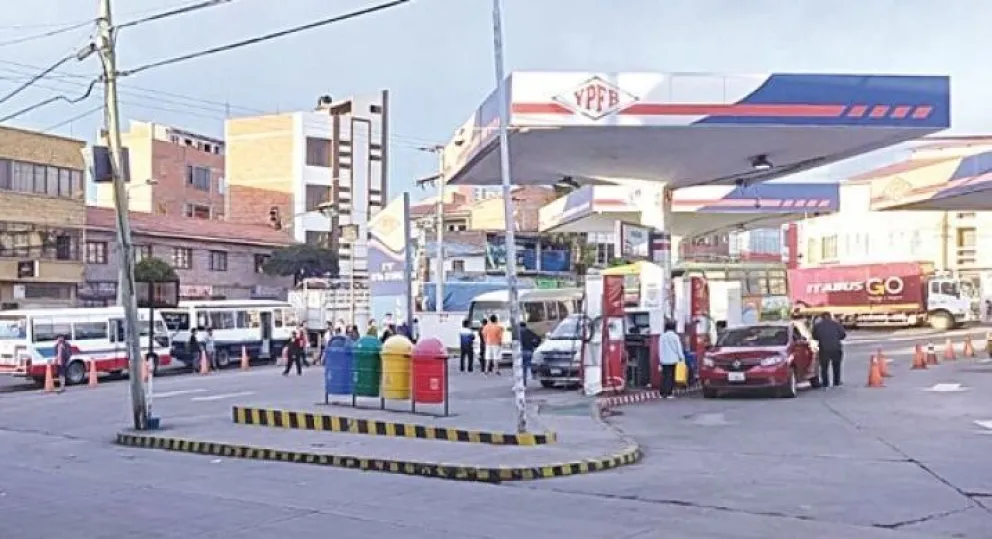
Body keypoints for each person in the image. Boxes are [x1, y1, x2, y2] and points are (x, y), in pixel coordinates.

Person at [812, 312, 846, 387]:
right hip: (836, 348)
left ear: (821, 318)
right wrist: (836, 338)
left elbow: (814, 336)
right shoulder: (837, 324)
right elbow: (843, 335)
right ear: (830, 317)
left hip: (824, 349)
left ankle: (825, 383)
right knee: (836, 366)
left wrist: (821, 338)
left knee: (824, 367)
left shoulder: (817, 325)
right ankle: (836, 382)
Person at [659, 319, 685, 399]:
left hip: (664, 359)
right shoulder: (675, 337)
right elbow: (678, 348)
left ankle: (662, 393)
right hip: (673, 359)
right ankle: (669, 393)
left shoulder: (662, 336)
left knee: (664, 376)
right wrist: (682, 358)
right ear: (674, 328)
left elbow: (660, 348)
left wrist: (660, 359)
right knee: (670, 376)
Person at [519, 321, 541, 386]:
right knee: (528, 364)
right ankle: (534, 371)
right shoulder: (529, 331)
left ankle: (523, 383)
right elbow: (538, 338)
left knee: (523, 368)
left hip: (521, 351)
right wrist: (534, 344)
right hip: (529, 351)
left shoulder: (518, 333)